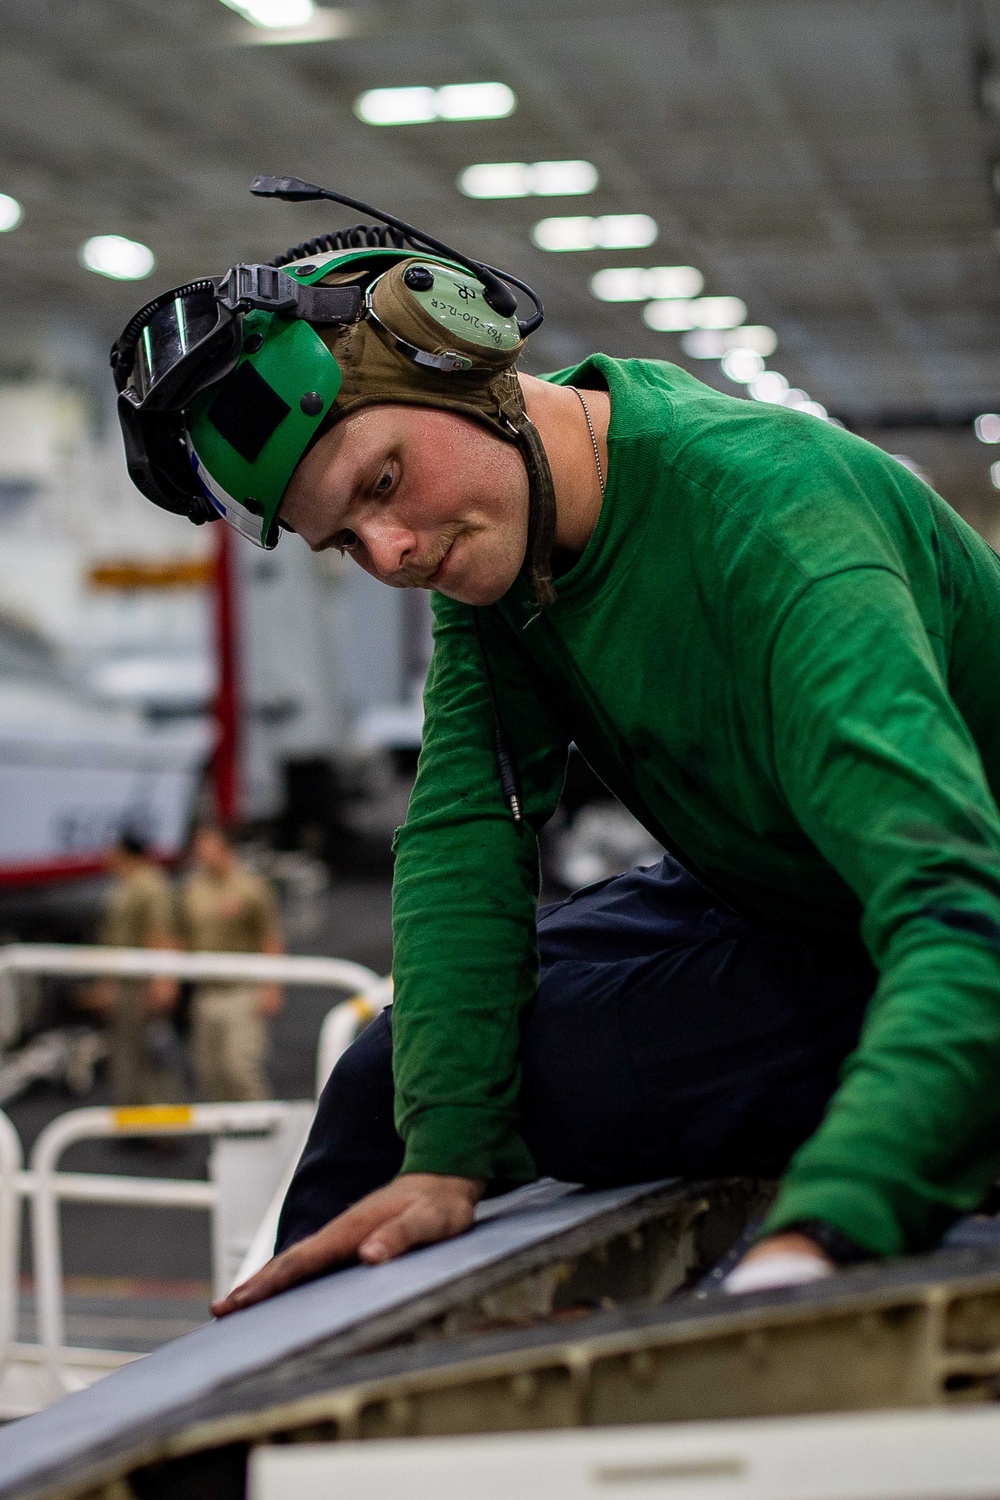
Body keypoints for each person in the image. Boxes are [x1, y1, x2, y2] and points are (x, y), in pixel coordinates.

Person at [110, 183, 1000, 1315]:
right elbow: (466, 834)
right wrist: (443, 1159)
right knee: (397, 1074)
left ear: (465, 354)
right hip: (782, 886)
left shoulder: (777, 523)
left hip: (949, 912)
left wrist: (826, 1229)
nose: (390, 550)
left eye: (382, 482)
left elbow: (955, 905)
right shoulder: (501, 552)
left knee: (565, 1075)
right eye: (344, 541)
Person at [179, 824, 284, 1102]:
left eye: (208, 847)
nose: (201, 854)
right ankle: (227, 1140)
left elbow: (270, 938)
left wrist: (271, 987)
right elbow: (182, 935)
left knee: (240, 1068)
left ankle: (263, 1133)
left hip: (242, 991)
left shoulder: (251, 887)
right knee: (209, 1072)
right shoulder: (193, 888)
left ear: (225, 849)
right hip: (205, 992)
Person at [94, 832, 182, 1106]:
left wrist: (163, 981)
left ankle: (164, 1126)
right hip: (124, 981)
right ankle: (133, 1120)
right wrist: (107, 983)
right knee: (126, 1054)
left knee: (152, 1056)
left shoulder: (150, 885)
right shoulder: (123, 885)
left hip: (142, 983)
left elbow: (160, 933)